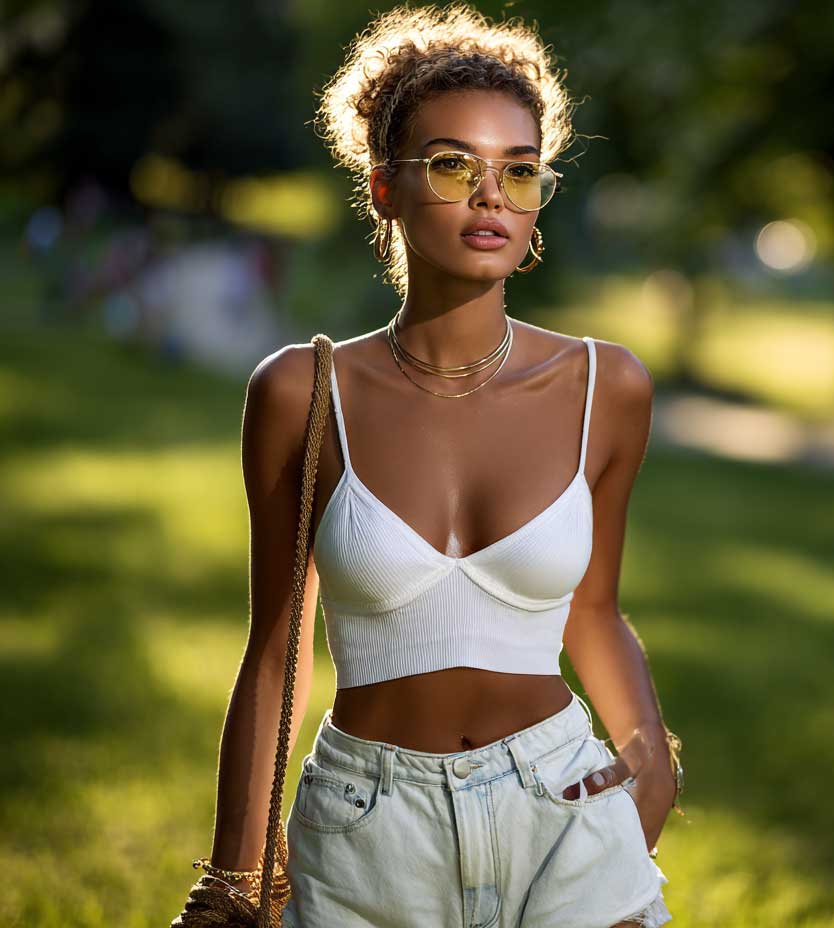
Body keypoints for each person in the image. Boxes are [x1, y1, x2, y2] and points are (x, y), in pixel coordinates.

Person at [193, 3, 682, 926]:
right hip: (366, 832)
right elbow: (276, 652)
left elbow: (596, 608)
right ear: (383, 187)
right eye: (455, 165)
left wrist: (651, 761)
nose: (491, 196)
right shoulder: (301, 393)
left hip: (565, 814)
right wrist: (232, 885)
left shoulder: (603, 386)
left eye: (520, 171)